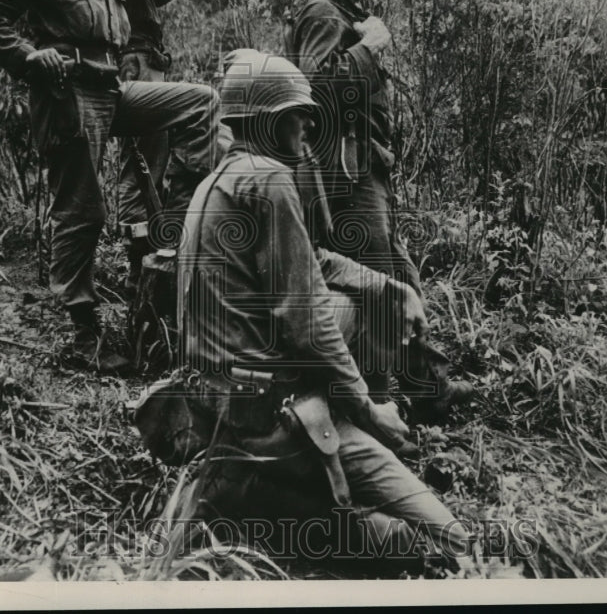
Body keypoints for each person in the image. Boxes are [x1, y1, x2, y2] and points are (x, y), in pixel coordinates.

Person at [142, 50, 472, 569]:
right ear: (270, 122)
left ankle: (264, 491)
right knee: (440, 542)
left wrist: (388, 286)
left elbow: (309, 260)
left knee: (363, 302)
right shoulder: (269, 180)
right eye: (298, 115)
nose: (308, 127)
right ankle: (261, 493)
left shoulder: (220, 180)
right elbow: (308, 319)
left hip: (225, 406)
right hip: (271, 418)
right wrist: (369, 410)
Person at [0, 0, 217, 373]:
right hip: (69, 94)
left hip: (110, 88)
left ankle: (177, 221)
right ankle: (84, 334)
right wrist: (28, 57)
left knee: (199, 102)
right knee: (83, 212)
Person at [284, 0, 472, 422]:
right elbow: (314, 92)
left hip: (363, 169)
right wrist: (369, 48)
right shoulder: (324, 15)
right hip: (345, 177)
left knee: (397, 275)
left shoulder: (340, 13)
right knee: (377, 285)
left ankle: (427, 389)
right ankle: (380, 408)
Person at [109, 0, 189, 299]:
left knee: (150, 158)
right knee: (139, 161)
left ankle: (143, 257)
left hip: (146, 60)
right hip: (135, 62)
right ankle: (137, 262)